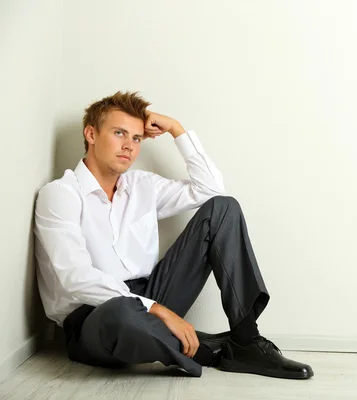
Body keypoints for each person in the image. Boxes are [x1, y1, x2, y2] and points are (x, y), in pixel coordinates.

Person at [33, 91, 313, 379]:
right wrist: (160, 311)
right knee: (123, 315)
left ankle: (245, 340)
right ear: (91, 134)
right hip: (96, 315)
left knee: (223, 209)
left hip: (152, 294)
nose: (129, 146)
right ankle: (208, 351)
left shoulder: (142, 185)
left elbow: (211, 191)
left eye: (137, 138)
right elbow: (74, 278)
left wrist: (177, 130)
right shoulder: (61, 194)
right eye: (119, 133)